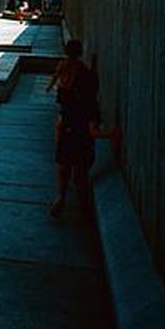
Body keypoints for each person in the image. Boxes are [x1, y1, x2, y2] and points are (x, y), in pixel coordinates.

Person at [45, 40, 115, 219]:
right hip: (82, 144)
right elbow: (93, 132)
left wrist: (51, 86)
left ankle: (61, 197)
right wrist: (113, 134)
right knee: (80, 176)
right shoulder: (91, 107)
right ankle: (84, 207)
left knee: (63, 170)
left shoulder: (69, 105)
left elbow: (59, 123)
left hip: (66, 138)